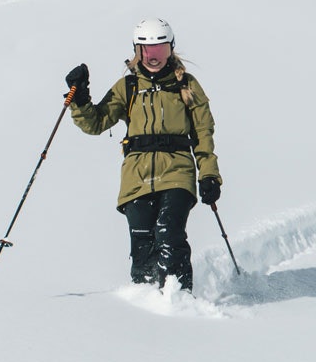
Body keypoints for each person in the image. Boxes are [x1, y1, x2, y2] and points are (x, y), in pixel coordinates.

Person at [65, 17, 222, 292]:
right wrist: (80, 99)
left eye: (160, 50)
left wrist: (209, 174)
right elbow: (96, 123)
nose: (153, 57)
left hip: (177, 172)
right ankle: (148, 301)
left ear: (171, 49)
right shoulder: (128, 87)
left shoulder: (186, 85)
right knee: (142, 242)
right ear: (137, 51)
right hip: (136, 177)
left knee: (169, 232)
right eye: (147, 51)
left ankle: (179, 296)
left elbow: (203, 133)